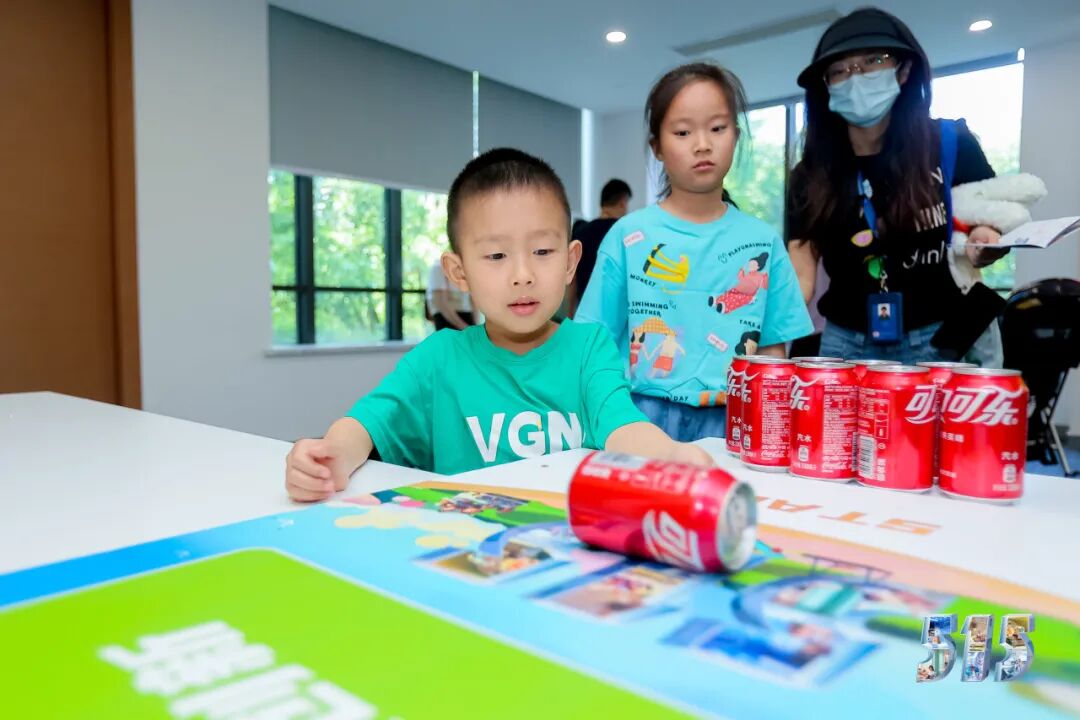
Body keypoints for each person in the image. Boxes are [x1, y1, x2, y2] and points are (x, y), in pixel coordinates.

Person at [285, 149, 712, 501]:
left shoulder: (589, 347)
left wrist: (668, 454)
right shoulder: (438, 359)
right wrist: (330, 456)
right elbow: (367, 423)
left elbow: (622, 426)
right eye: (496, 256)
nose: (522, 275)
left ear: (570, 262)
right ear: (458, 272)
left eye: (542, 252)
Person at [577, 62, 813, 442]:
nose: (702, 144)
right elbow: (593, 343)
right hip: (639, 417)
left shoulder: (763, 242)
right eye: (683, 132)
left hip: (734, 417)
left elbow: (773, 350)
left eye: (717, 128)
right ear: (657, 146)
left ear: (736, 136)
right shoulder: (628, 236)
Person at [787, 8, 1009, 366]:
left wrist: (987, 240)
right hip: (846, 343)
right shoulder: (810, 175)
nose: (855, 77)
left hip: (942, 334)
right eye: (839, 71)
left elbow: (992, 220)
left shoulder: (952, 144)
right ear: (826, 87)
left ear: (904, 70)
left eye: (872, 61)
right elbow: (800, 272)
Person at [568, 179, 633, 315]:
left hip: (584, 312)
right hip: (615, 313)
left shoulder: (581, 231)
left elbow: (572, 280)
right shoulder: (625, 234)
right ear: (623, 202)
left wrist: (570, 315)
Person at [426, 259, 474, 330]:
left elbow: (472, 301)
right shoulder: (438, 267)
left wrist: (474, 327)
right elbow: (440, 303)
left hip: (466, 318)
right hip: (447, 319)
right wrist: (464, 327)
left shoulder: (468, 267)